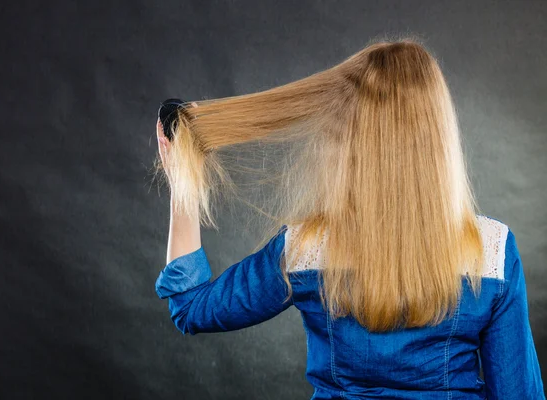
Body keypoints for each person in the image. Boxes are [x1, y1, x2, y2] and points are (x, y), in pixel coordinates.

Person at [153, 38, 545, 399]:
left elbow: (191, 308)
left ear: (349, 138)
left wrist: (182, 184)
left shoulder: (308, 248)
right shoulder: (490, 251)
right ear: (439, 136)